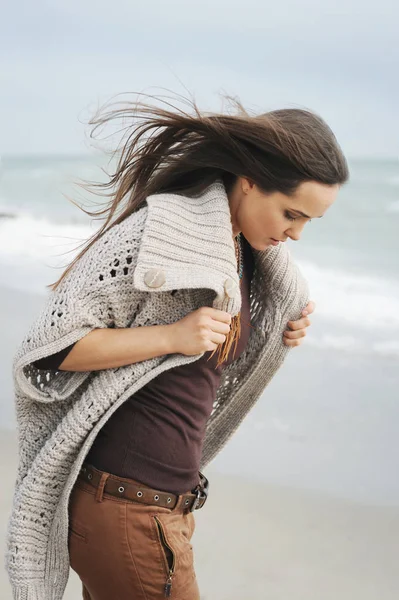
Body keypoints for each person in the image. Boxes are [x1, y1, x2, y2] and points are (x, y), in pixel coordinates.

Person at [5, 93, 349, 600]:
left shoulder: (252, 257)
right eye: (290, 214)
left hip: (162, 510)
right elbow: (51, 350)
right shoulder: (159, 234)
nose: (296, 233)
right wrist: (171, 336)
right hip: (126, 510)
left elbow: (210, 361)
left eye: (308, 223)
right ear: (250, 180)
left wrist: (280, 328)